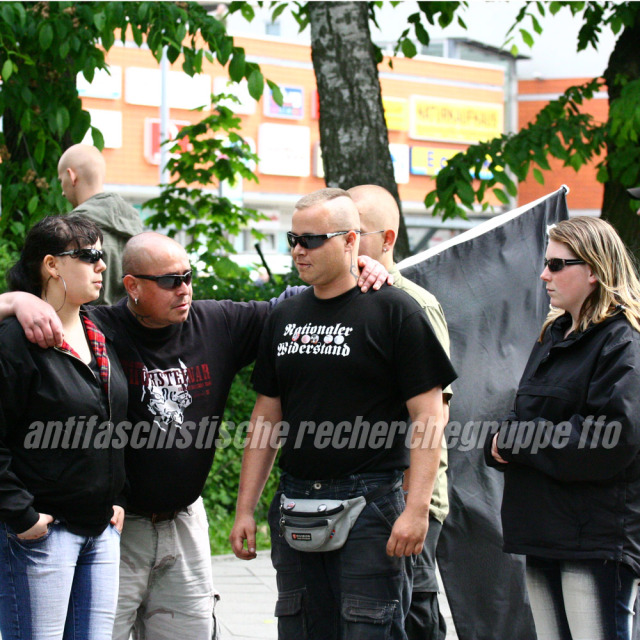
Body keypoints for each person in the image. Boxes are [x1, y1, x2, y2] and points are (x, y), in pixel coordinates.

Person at [0, 231, 390, 640]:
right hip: (119, 526)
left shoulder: (217, 322)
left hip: (184, 521)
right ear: (131, 286)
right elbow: (47, 318)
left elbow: (294, 304)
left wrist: (357, 267)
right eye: (170, 280)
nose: (184, 288)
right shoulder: (98, 327)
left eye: (189, 276)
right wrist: (15, 301)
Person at [230, 188, 457, 640]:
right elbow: (265, 419)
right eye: (293, 238)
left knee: (369, 630)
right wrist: (245, 509)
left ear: (351, 240)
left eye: (312, 240)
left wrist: (415, 511)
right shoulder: (285, 314)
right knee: (301, 630)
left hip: (373, 505)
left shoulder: (397, 310)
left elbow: (430, 418)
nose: (298, 249)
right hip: (294, 500)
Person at [485, 216, 640, 640]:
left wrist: (515, 440)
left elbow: (611, 437)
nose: (543, 274)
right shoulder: (553, 333)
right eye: (545, 263)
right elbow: (526, 412)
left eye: (557, 265)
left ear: (593, 270)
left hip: (596, 539)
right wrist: (498, 440)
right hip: (543, 530)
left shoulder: (622, 340)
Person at [0, 215, 128, 640]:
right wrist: (21, 513)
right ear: (52, 265)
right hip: (43, 533)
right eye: (90, 255)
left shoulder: (100, 330)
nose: (102, 265)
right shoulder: (15, 339)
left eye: (102, 256)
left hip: (101, 529)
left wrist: (116, 497)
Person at [348, 183, 451, 640]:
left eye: (356, 233)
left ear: (387, 240)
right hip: (354, 499)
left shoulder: (413, 304)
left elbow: (432, 419)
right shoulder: (340, 299)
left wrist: (415, 507)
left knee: (413, 618)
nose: (345, 243)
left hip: (405, 500)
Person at [58, 144, 144, 305]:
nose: (62, 192)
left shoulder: (71, 229)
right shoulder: (134, 223)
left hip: (89, 326)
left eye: (61, 181)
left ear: (71, 176)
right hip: (131, 325)